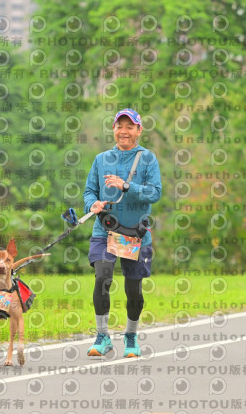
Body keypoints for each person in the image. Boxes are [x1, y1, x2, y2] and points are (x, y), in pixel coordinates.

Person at [83, 108, 162, 356]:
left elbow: (155, 193)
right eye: (120, 126)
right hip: (105, 230)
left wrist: (127, 186)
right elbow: (89, 191)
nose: (124, 131)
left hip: (134, 234)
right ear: (114, 129)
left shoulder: (147, 159)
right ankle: (102, 336)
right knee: (102, 276)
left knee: (133, 290)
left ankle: (130, 336)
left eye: (130, 127)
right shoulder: (101, 159)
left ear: (139, 130)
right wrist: (92, 204)